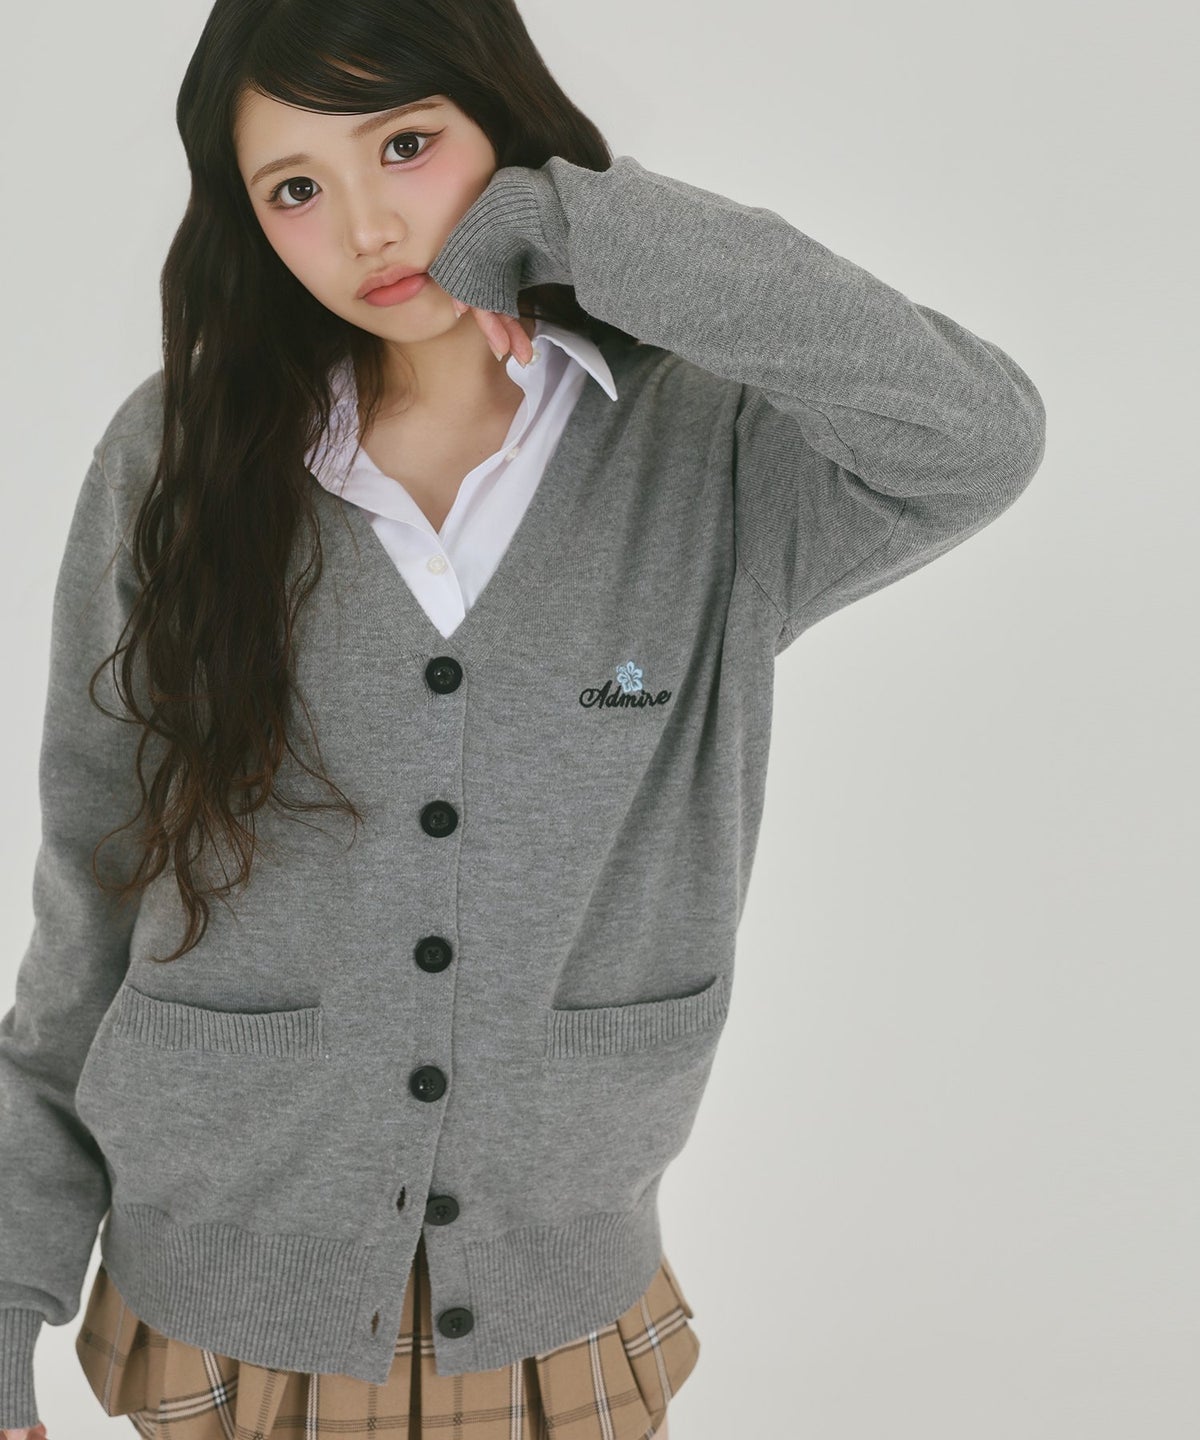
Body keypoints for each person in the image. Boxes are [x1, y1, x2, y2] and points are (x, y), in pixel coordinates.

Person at [0, 0, 1046, 1436]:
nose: (368, 228)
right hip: (224, 1284)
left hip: (559, 1292)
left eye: (407, 145)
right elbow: (92, 893)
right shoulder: (177, 455)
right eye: (294, 188)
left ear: (505, 124)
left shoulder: (715, 459)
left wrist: (577, 227)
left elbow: (977, 436)